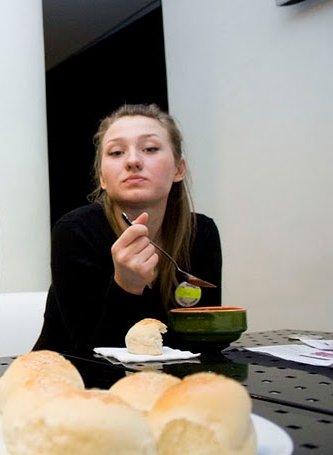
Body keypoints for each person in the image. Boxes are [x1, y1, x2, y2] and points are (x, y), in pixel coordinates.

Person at [34, 104, 221, 354]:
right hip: (70, 374)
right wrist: (126, 286)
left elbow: (205, 338)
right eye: (116, 152)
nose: (133, 161)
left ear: (179, 169)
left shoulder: (201, 233)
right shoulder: (75, 232)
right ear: (102, 177)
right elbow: (91, 350)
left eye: (150, 149)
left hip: (169, 376)